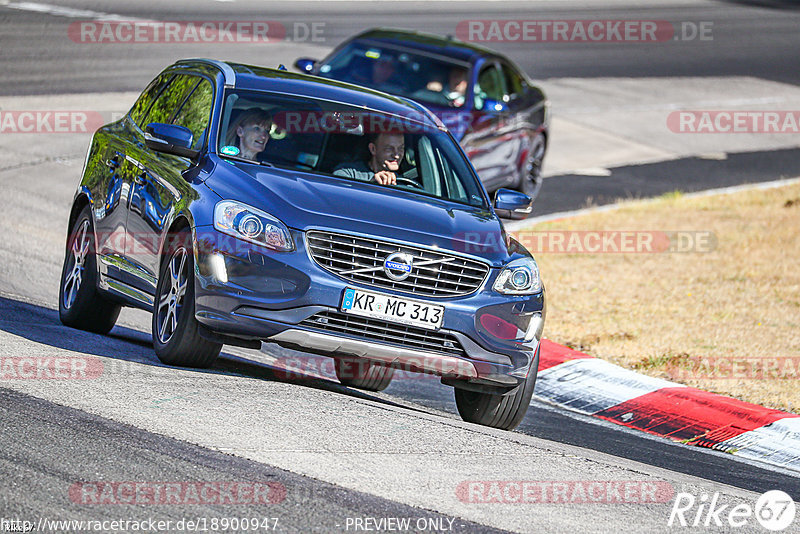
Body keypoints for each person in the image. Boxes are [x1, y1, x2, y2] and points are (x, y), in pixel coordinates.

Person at [333, 131, 405, 185]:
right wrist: (371, 184)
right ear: (373, 149)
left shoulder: (403, 184)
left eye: (401, 148)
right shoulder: (349, 174)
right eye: (389, 149)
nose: (396, 155)